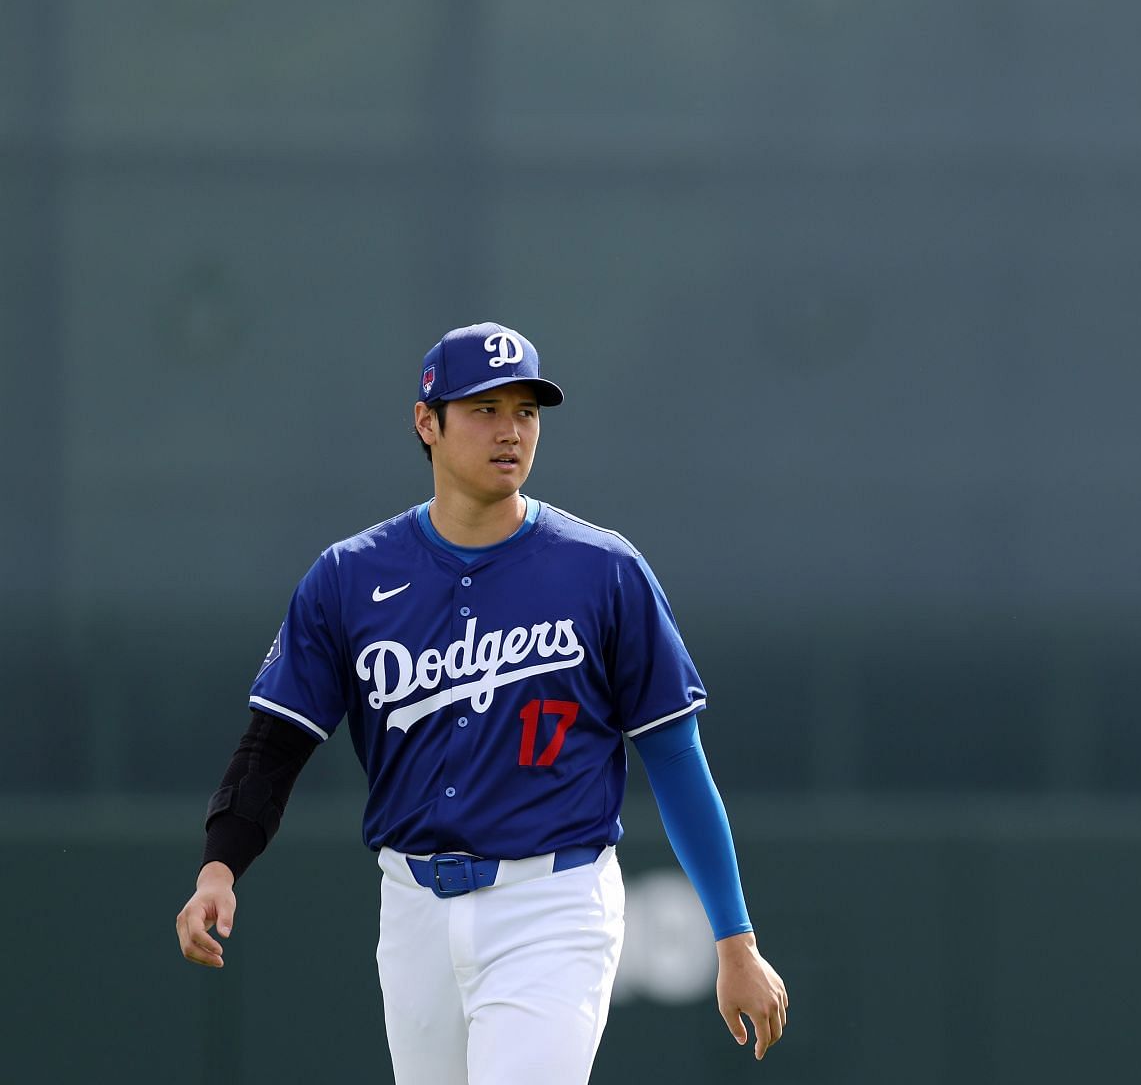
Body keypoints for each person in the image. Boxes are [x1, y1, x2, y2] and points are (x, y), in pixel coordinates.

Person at [174, 321, 788, 1083]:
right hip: (412, 908)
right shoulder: (349, 577)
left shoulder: (603, 570)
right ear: (426, 423)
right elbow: (276, 743)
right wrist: (219, 869)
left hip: (553, 904)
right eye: (484, 409)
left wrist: (734, 939)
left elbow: (674, 754)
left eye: (526, 411)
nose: (511, 431)